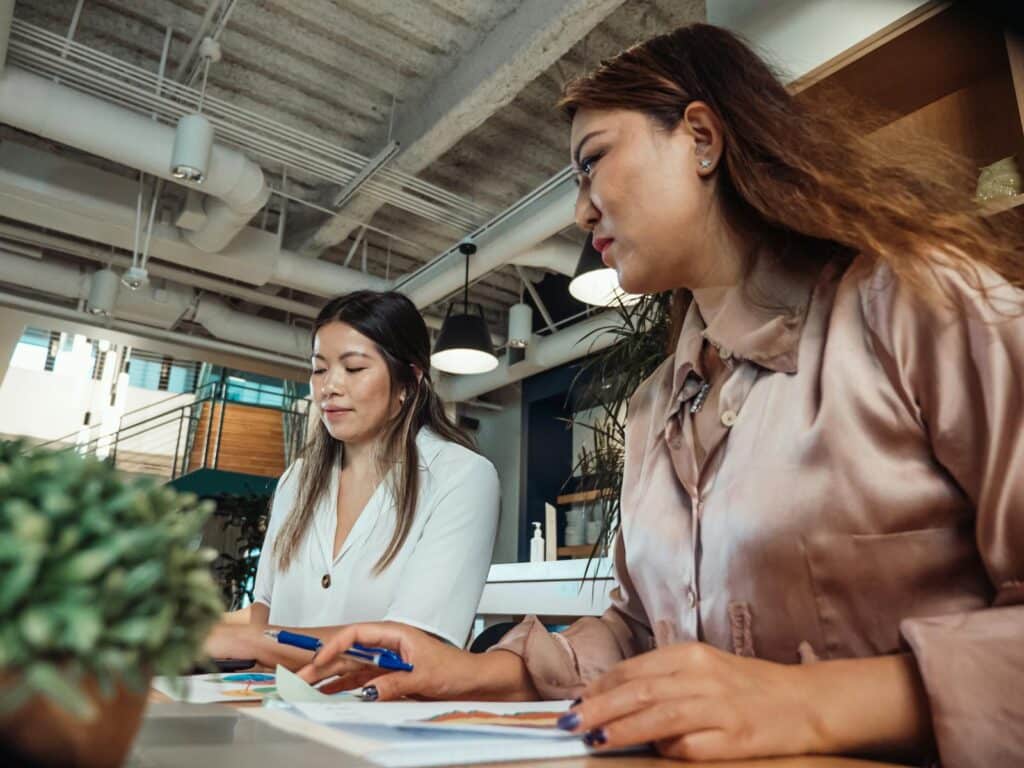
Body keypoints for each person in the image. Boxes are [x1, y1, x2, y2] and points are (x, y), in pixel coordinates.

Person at [298, 23, 1024, 768]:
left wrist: (811, 703)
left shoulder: (919, 304)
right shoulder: (654, 405)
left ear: (702, 137)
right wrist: (479, 670)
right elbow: (642, 634)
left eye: (592, 163)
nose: (582, 212)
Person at [205, 290, 500, 668]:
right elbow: (265, 609)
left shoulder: (462, 477)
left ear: (408, 382)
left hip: (380, 717)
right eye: (319, 368)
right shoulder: (296, 480)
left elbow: (411, 647)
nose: (330, 386)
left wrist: (242, 640)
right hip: (275, 704)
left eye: (354, 368)